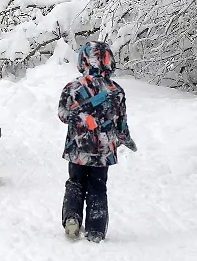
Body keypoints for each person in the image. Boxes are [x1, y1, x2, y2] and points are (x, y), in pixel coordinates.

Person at [58, 41, 137, 243]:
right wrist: (125, 138)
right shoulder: (116, 91)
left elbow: (63, 115)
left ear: (83, 60)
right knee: (98, 187)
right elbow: (121, 122)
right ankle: (96, 230)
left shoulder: (73, 87)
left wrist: (80, 118)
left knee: (75, 183)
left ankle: (72, 218)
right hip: (103, 151)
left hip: (77, 149)